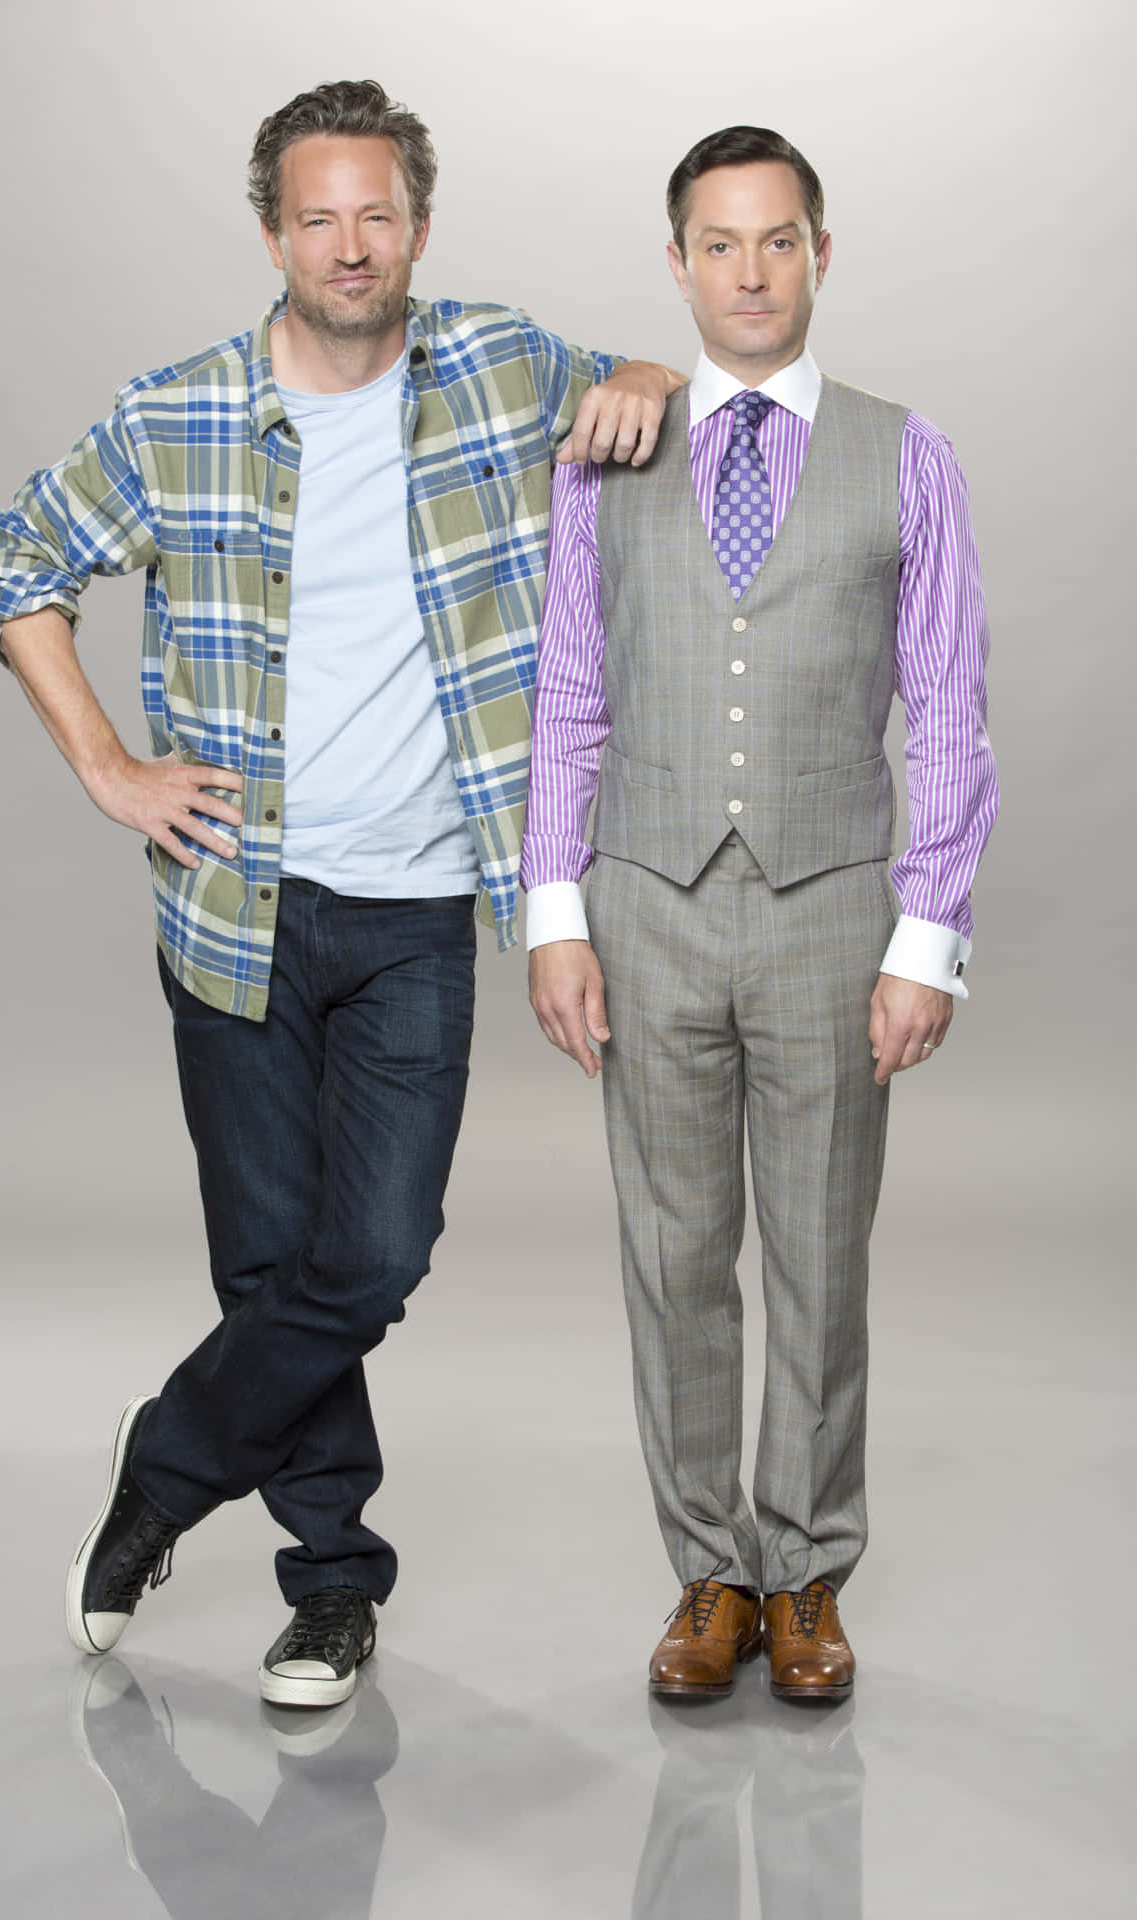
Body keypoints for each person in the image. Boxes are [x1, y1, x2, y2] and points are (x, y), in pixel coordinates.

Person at [0, 79, 681, 1709]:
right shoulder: (179, 414)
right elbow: (14, 570)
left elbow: (639, 392)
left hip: (424, 907)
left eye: (379, 214)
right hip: (235, 908)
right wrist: (108, 768)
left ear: (418, 226)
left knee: (368, 1252)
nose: (350, 245)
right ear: (271, 229)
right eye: (317, 215)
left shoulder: (502, 367)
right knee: (265, 1258)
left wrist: (643, 367)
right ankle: (333, 1587)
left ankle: (161, 1476)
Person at [523, 125, 997, 1703]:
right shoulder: (610, 451)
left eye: (777, 242)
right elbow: (569, 699)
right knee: (674, 1257)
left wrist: (927, 934)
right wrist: (552, 914)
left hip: (829, 918)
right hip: (646, 907)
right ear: (677, 265)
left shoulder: (902, 451)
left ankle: (807, 1575)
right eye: (718, 246)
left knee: (817, 1257)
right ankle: (709, 1575)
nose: (748, 272)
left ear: (820, 255)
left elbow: (947, 709)